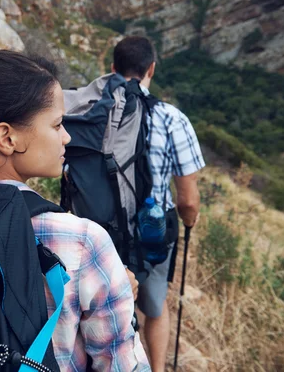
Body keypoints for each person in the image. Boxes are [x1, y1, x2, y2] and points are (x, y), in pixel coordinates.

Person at [0, 50, 144, 371]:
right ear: (7, 137)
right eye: (57, 124)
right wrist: (120, 297)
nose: (67, 137)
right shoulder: (79, 241)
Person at [111, 36, 204, 372]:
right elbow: (188, 199)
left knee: (109, 304)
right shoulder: (171, 118)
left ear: (112, 69)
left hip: (101, 228)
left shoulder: (92, 114)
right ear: (151, 68)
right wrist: (190, 220)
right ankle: (157, 368)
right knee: (154, 307)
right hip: (152, 232)